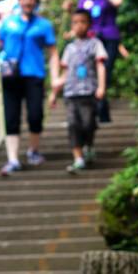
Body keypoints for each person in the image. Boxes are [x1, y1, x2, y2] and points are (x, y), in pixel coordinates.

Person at [0, 0, 59, 175]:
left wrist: (55, 78)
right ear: (19, 1)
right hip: (11, 75)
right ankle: (13, 159)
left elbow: (53, 52)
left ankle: (33, 150)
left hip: (34, 74)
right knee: (11, 117)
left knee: (35, 115)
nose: (27, 1)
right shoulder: (8, 23)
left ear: (36, 1)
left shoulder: (44, 25)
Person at [49, 9, 107, 173]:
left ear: (89, 24)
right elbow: (65, 73)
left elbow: (100, 66)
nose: (79, 25)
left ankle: (88, 145)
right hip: (70, 94)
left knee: (88, 123)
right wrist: (54, 93)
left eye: (83, 22)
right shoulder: (69, 48)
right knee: (73, 124)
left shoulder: (95, 44)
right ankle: (78, 158)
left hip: (88, 92)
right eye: (75, 22)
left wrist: (101, 87)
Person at [77, 0, 122, 123]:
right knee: (93, 75)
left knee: (105, 74)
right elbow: (79, 20)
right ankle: (100, 114)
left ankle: (100, 113)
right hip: (91, 41)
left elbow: (117, 2)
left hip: (109, 39)